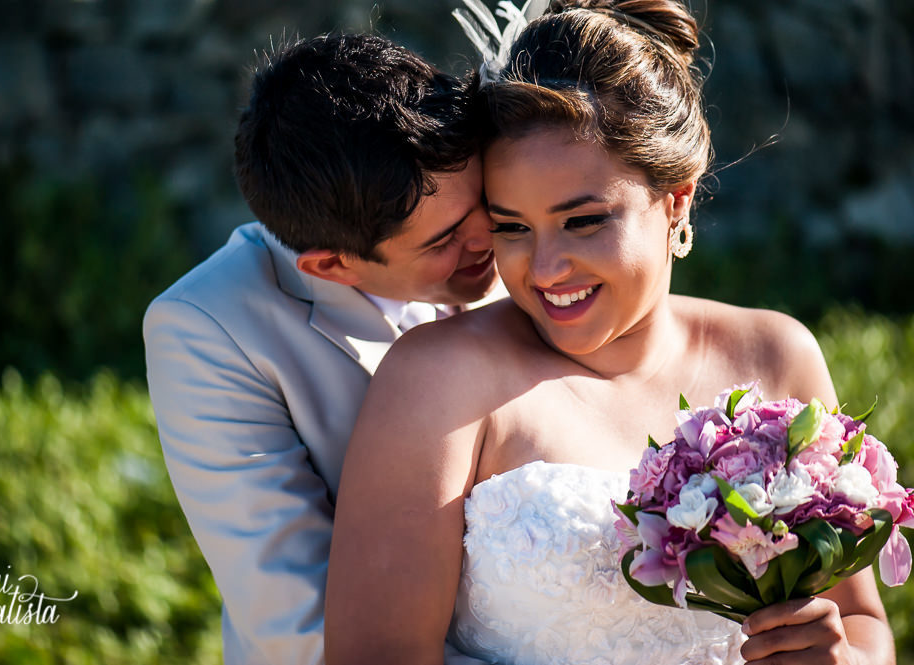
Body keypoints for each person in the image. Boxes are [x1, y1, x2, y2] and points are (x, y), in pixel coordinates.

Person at [325, 2, 896, 664]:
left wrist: (843, 657)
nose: (543, 270)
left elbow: (862, 621)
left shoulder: (776, 354)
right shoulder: (437, 378)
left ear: (675, 198)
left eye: (583, 221)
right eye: (511, 226)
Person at [144, 33, 503, 664]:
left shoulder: (525, 240)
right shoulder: (204, 329)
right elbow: (299, 624)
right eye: (446, 236)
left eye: (483, 202)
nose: (491, 236)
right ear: (333, 266)